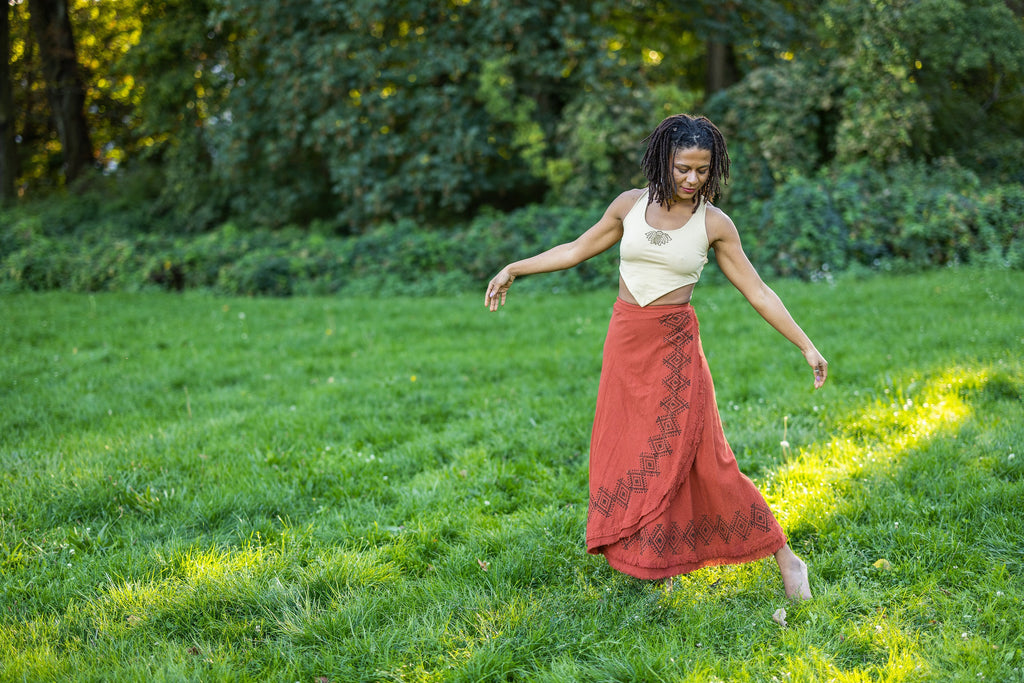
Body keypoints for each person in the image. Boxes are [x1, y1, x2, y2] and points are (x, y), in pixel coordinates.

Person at [484, 113, 827, 600]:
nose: (692, 179)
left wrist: (806, 344)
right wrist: (514, 268)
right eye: (683, 168)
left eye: (702, 170)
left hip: (675, 349)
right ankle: (655, 560)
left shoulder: (714, 223)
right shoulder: (628, 206)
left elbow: (758, 291)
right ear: (664, 161)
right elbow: (576, 249)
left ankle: (788, 560)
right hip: (626, 341)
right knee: (629, 449)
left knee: (707, 461)